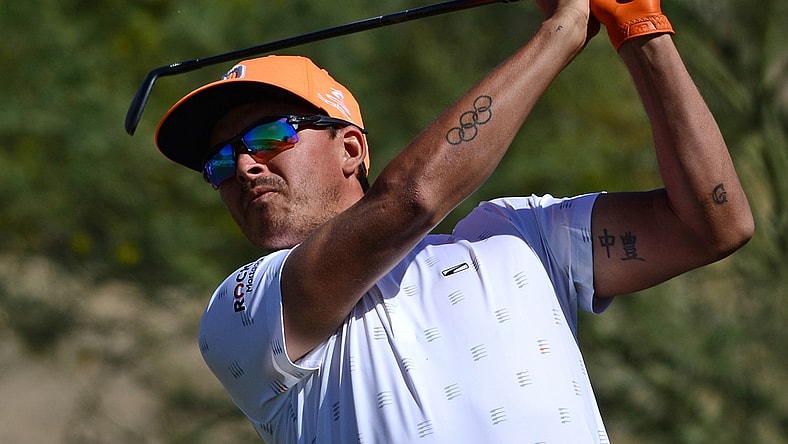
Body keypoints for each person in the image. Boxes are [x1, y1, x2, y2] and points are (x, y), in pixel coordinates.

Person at [154, 0, 753, 442]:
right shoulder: (242, 311)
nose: (245, 166)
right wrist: (562, 31)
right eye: (220, 162)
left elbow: (713, 223)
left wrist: (640, 26)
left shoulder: (520, 235)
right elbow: (410, 200)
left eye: (266, 135)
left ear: (351, 149)